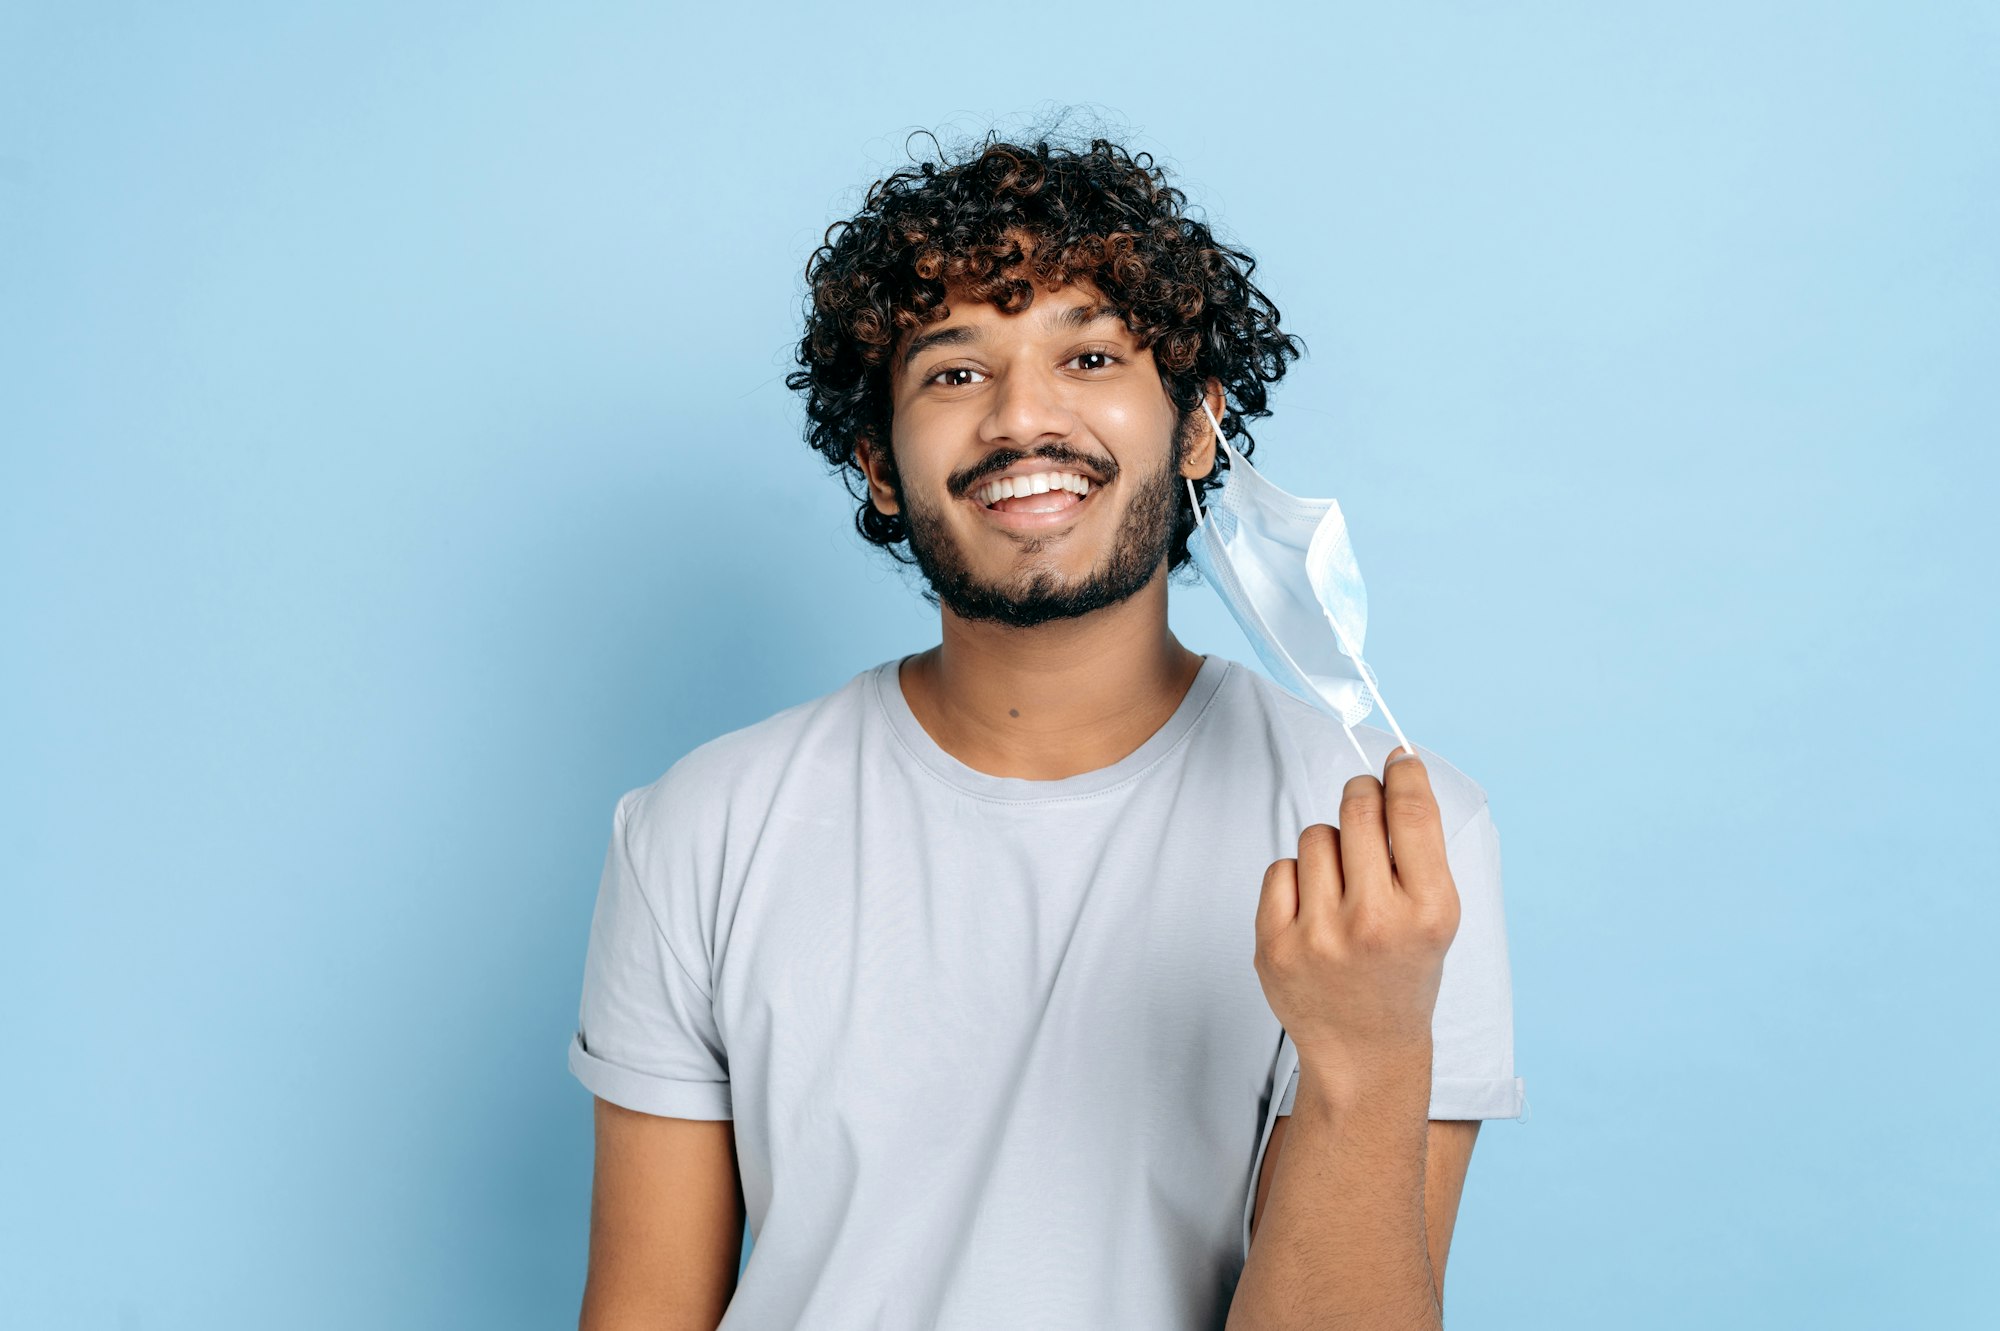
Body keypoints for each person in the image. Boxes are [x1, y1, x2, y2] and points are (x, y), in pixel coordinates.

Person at [566, 134, 1526, 1330]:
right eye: (954, 373)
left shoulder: (1390, 852)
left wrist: (1371, 1057)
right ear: (876, 462)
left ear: (1194, 429)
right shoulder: (699, 827)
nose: (1025, 418)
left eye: (1088, 354)